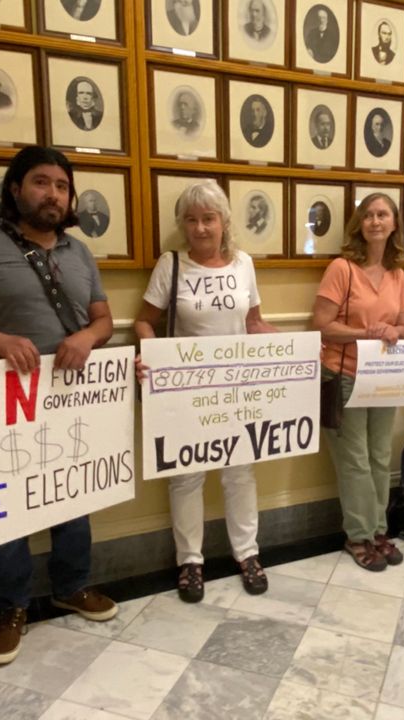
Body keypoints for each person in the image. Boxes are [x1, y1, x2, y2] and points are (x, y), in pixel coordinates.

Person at [0, 146, 118, 665]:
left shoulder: (79, 253)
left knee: (73, 491)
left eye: (61, 185)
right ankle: (10, 605)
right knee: (7, 504)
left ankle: (71, 585)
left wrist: (88, 338)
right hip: (3, 401)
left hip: (69, 397)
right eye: (41, 182)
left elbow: (104, 319)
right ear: (15, 189)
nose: (52, 194)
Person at [133, 180, 277, 601]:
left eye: (208, 219)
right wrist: (155, 354)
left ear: (224, 221)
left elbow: (254, 323)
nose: (199, 228)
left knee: (239, 473)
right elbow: (144, 321)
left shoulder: (243, 264)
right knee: (186, 476)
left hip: (237, 387)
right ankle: (190, 563)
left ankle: (247, 554)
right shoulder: (171, 265)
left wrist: (296, 348)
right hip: (186, 391)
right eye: (191, 220)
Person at [313, 193, 404, 570]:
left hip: (383, 377)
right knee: (354, 460)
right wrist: (362, 334)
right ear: (359, 224)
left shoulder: (397, 274)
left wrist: (392, 330)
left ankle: (378, 530)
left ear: (393, 223)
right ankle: (358, 535)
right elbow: (321, 324)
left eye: (382, 214)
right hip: (344, 376)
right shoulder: (342, 268)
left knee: (379, 456)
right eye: (368, 215)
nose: (375, 221)